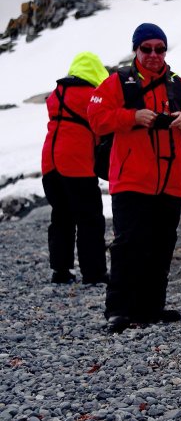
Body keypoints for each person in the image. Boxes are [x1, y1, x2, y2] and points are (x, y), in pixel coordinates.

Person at [88, 23, 181, 333]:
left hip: (170, 181)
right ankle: (118, 310)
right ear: (136, 50)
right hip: (130, 180)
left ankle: (151, 308)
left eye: (160, 48)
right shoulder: (117, 82)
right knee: (128, 244)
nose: (154, 54)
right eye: (147, 48)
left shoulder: (179, 86)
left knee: (161, 244)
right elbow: (96, 118)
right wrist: (132, 117)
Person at [41, 51, 109, 284]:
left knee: (60, 216)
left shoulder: (55, 94)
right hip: (77, 165)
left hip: (50, 164)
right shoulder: (93, 96)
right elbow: (101, 127)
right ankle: (94, 273)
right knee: (90, 218)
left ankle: (60, 271)